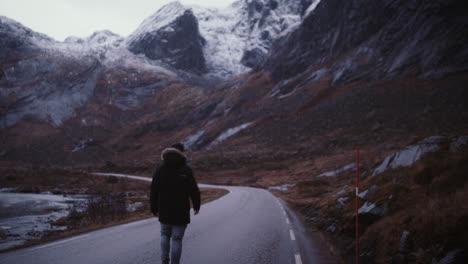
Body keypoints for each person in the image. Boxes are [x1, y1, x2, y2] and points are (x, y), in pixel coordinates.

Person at [150, 143, 201, 264]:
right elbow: (193, 189)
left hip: (164, 209)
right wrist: (196, 205)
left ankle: (164, 259)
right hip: (181, 210)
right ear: (182, 153)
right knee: (177, 239)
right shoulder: (186, 169)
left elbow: (154, 190)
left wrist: (153, 207)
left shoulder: (160, 169)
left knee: (164, 235)